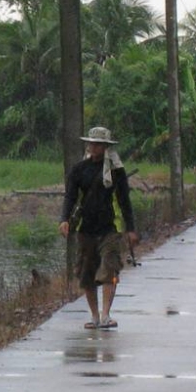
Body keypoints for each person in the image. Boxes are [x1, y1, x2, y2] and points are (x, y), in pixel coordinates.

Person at [59, 126, 139, 330]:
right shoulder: (79, 170)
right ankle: (94, 316)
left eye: (99, 144)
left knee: (109, 269)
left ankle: (106, 315)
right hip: (86, 229)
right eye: (92, 143)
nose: (94, 147)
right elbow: (70, 197)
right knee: (87, 274)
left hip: (109, 229)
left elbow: (123, 200)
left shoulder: (115, 170)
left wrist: (130, 228)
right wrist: (64, 219)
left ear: (106, 147)